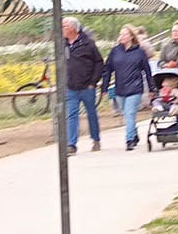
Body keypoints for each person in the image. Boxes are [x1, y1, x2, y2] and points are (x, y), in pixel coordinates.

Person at [102, 25, 153, 150]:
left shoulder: (139, 52)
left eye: (125, 34)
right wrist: (104, 87)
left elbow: (147, 71)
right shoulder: (115, 51)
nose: (122, 36)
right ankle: (134, 134)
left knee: (130, 113)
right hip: (120, 88)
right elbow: (108, 69)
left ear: (131, 36)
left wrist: (152, 88)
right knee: (126, 114)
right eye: (121, 34)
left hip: (135, 88)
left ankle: (129, 140)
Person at [61, 16, 104, 153]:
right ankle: (72, 144)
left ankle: (96, 139)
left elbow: (99, 62)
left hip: (87, 87)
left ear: (73, 28)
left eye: (64, 26)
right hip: (71, 87)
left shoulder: (88, 44)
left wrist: (93, 82)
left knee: (91, 113)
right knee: (71, 115)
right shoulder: (63, 45)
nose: (62, 29)